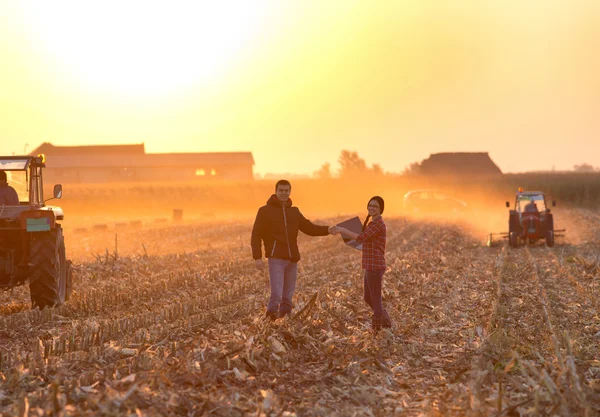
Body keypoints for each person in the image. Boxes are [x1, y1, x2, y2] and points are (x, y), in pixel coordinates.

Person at [251, 179, 336, 320]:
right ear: (276, 191)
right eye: (281, 190)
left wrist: (328, 229)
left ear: (290, 192)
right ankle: (269, 320)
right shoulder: (265, 211)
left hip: (292, 259)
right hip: (276, 258)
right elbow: (256, 234)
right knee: (276, 294)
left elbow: (309, 228)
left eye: (286, 190)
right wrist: (257, 257)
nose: (284, 193)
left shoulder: (294, 212)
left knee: (288, 295)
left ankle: (285, 320)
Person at [333, 196, 392, 331]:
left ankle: (377, 330)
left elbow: (360, 238)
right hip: (369, 265)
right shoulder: (372, 223)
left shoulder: (378, 225)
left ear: (381, 209)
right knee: (367, 297)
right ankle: (385, 320)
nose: (372, 208)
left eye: (375, 206)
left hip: (375, 266)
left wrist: (342, 229)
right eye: (370, 205)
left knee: (375, 299)